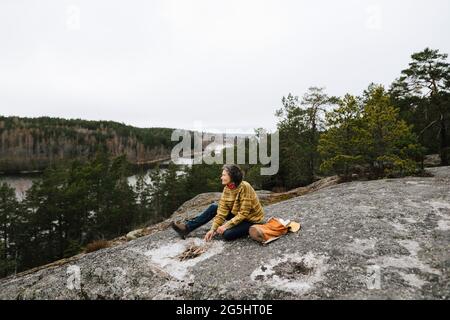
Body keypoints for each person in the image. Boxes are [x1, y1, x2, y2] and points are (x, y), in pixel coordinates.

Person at [170, 164, 265, 241]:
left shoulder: (245, 187)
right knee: (214, 207)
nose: (221, 177)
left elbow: (244, 213)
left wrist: (225, 226)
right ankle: (186, 228)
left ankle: (252, 229)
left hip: (251, 220)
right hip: (238, 216)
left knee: (227, 235)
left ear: (232, 176)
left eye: (224, 175)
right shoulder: (227, 189)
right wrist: (213, 229)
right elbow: (221, 213)